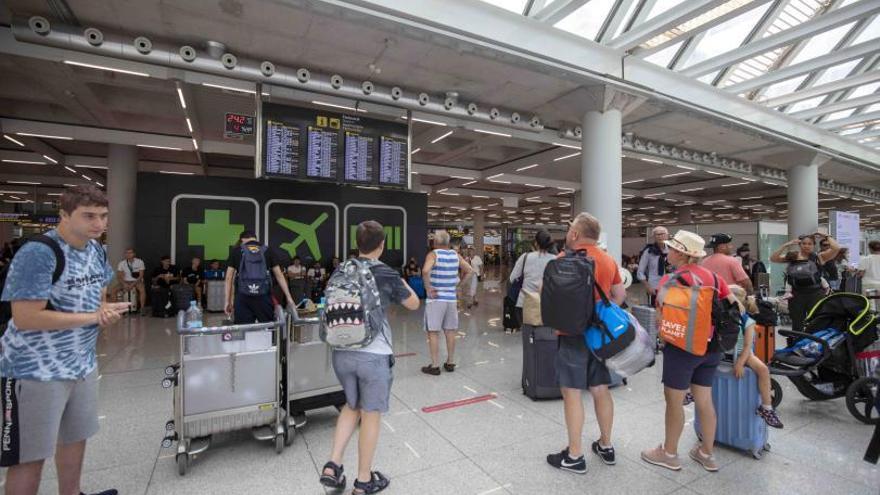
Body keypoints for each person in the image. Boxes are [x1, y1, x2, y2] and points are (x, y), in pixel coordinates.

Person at [0, 185, 129, 495]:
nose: (98, 224)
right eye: (89, 216)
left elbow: (99, 294)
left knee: (74, 436)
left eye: (103, 216)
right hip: (34, 371)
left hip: (81, 365)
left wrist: (103, 311)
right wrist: (93, 318)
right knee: (29, 455)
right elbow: (25, 317)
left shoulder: (96, 249)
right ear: (64, 215)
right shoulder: (39, 252)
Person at [319, 221, 419, 495]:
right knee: (370, 414)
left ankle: (333, 465)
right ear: (382, 244)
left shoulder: (342, 268)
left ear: (357, 244)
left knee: (352, 405)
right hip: (372, 356)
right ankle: (364, 481)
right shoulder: (384, 272)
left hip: (341, 352)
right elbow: (413, 303)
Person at [641, 230, 734, 473]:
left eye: (671, 249)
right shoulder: (714, 278)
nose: (668, 252)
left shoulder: (669, 280)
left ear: (681, 254)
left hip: (681, 350)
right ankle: (707, 453)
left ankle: (669, 453)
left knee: (674, 403)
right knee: (704, 401)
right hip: (711, 347)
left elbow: (660, 313)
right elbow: (733, 303)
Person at [547, 214, 625, 475]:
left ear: (576, 235)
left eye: (571, 230)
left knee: (571, 392)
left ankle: (574, 455)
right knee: (601, 389)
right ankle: (605, 444)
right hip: (599, 336)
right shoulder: (607, 259)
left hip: (570, 334)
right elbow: (618, 295)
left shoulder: (562, 260)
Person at [727, 285, 783, 429]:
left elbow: (747, 346)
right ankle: (692, 391)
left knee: (763, 370)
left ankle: (766, 407)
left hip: (743, 353)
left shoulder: (748, 321)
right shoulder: (722, 315)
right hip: (724, 351)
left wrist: (740, 362)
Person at [770, 233, 840, 342]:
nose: (806, 246)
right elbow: (774, 258)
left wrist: (826, 236)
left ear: (813, 245)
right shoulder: (792, 257)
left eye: (810, 244)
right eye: (804, 243)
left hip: (815, 294)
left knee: (817, 322)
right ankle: (795, 346)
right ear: (800, 244)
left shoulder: (819, 257)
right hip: (796, 295)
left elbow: (836, 248)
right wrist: (786, 245)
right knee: (797, 323)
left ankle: (815, 346)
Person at [421, 230, 472, 375]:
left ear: (435, 242)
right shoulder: (455, 254)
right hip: (451, 299)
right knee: (450, 331)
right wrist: (458, 286)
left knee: (433, 332)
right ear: (448, 242)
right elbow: (469, 270)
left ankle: (435, 365)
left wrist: (428, 288)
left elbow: (425, 271)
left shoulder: (433, 254)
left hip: (436, 299)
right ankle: (450, 362)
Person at [224, 230, 295, 324]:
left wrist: (227, 301)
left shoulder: (237, 251)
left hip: (243, 297)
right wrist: (289, 297)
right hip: (263, 296)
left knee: (244, 331)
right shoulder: (267, 250)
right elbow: (279, 276)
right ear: (255, 238)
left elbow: (229, 278)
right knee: (267, 328)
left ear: (242, 240)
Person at [509, 231, 557, 334]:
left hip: (525, 304)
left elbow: (512, 278)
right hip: (547, 304)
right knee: (544, 336)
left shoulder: (525, 257)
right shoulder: (555, 260)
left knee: (528, 336)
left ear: (536, 243)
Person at [637, 226, 670, 306]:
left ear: (667, 235)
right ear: (654, 237)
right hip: (654, 287)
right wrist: (647, 286)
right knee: (655, 313)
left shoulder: (671, 250)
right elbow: (640, 272)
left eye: (662, 234)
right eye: (657, 234)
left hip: (671, 287)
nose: (660, 236)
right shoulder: (649, 251)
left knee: (669, 312)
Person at [115, 247, 146, 314]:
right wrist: (124, 284)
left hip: (136, 281)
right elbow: (119, 276)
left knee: (142, 290)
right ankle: (116, 308)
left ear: (134, 254)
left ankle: (142, 308)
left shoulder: (140, 262)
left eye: (130, 253)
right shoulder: (121, 263)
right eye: (126, 253)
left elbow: (141, 276)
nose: (128, 254)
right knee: (113, 291)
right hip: (125, 281)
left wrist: (133, 284)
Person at [859, 240, 880, 311]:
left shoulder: (866, 259)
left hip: (868, 284)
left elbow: (861, 274)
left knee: (870, 305)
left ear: (870, 248)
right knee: (879, 305)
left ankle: (872, 320)